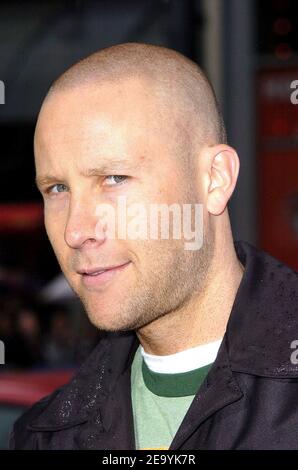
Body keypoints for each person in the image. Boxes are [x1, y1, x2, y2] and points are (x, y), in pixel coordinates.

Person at [10, 43, 298, 450]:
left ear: (214, 180)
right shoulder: (44, 435)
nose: (76, 230)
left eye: (114, 179)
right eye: (57, 188)